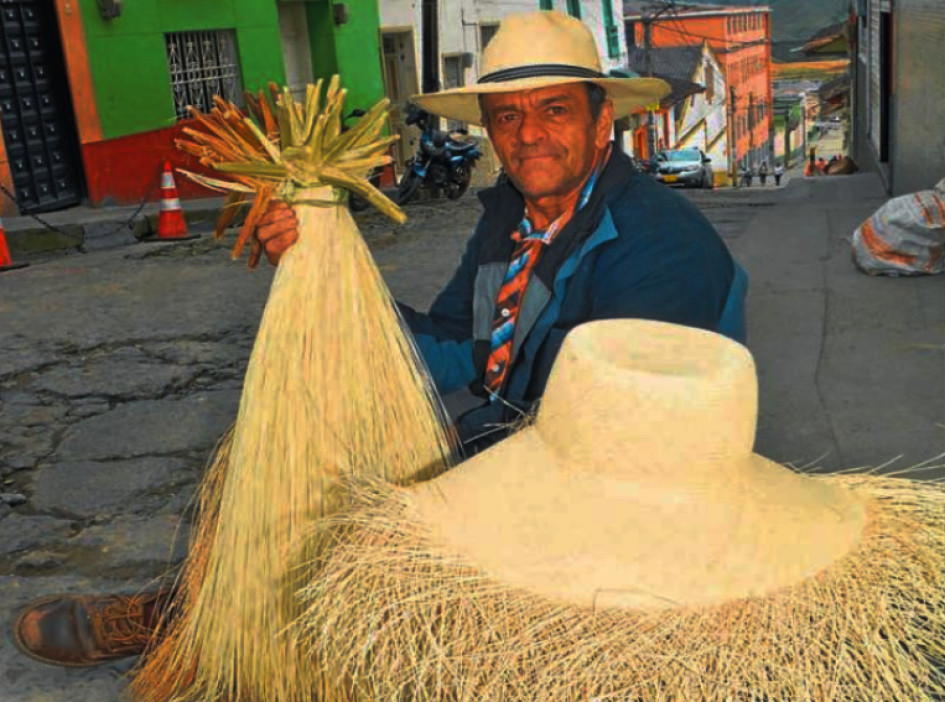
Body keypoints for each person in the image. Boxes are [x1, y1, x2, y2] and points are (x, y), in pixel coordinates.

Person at [12, 10, 738, 668]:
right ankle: (203, 601)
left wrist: (415, 490)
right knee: (297, 438)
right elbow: (457, 345)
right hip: (507, 435)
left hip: (609, 496)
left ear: (599, 119)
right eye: (506, 116)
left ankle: (212, 618)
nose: (527, 134)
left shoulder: (659, 247)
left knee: (363, 520)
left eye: (553, 111)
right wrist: (325, 269)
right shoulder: (507, 219)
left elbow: (602, 444)